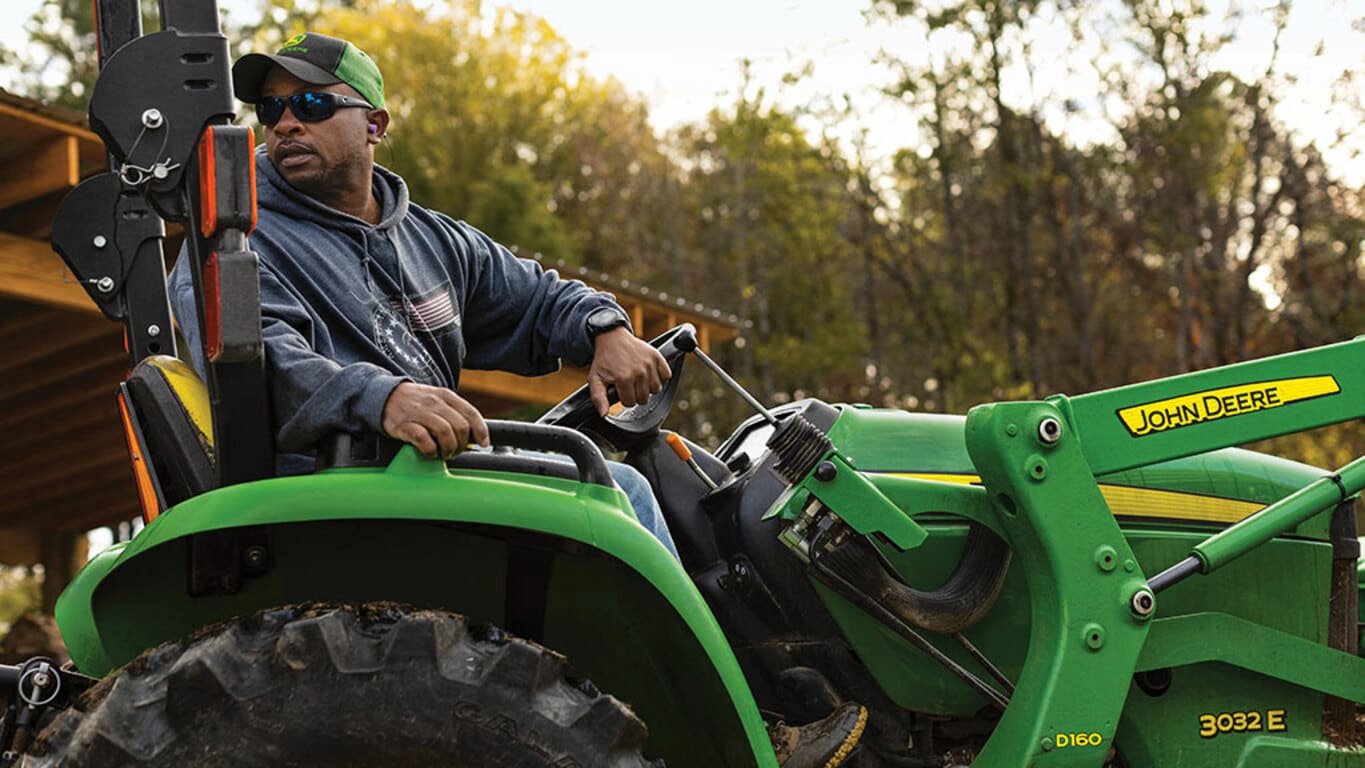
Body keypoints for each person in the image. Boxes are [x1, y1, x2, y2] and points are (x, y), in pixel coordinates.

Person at [168, 32, 864, 767]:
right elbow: (251, 350)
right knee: (615, 486)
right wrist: (384, 397)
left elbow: (534, 294)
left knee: (657, 474)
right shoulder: (241, 239)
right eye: (269, 107)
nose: (283, 123)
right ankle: (736, 727)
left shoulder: (431, 241)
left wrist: (603, 330)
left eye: (309, 103)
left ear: (374, 123)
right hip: (340, 474)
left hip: (415, 463)